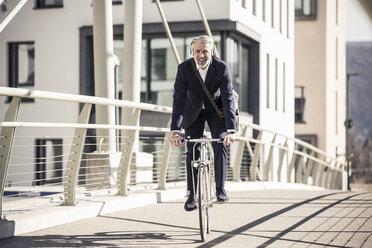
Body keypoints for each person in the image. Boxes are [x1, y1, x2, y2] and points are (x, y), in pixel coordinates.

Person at [170, 35, 237, 211]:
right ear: (192, 51)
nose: (201, 55)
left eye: (205, 51)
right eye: (197, 51)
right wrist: (175, 131)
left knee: (221, 142)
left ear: (211, 51)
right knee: (192, 148)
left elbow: (228, 98)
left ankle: (220, 189)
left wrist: (231, 130)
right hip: (193, 111)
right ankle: (192, 194)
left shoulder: (222, 68)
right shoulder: (184, 68)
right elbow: (178, 99)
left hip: (216, 111)